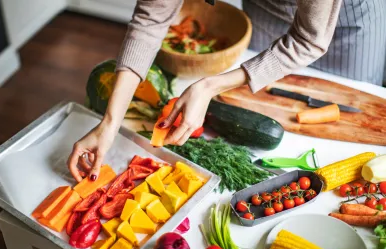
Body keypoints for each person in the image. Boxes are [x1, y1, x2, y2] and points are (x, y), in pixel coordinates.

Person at [68, 0, 386, 182]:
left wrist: (210, 86)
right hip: (267, 8)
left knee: (353, 104)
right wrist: (109, 123)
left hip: (350, 19)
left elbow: (309, 39)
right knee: (262, 83)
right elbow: (152, 18)